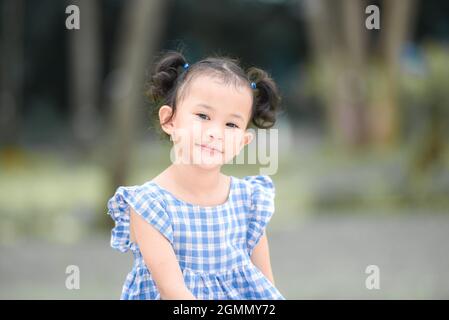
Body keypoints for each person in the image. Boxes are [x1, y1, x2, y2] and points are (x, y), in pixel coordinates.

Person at [106, 50, 285, 300]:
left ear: (243, 142)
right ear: (169, 120)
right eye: (203, 116)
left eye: (231, 124)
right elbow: (173, 292)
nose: (215, 132)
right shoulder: (149, 205)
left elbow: (266, 287)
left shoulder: (250, 200)